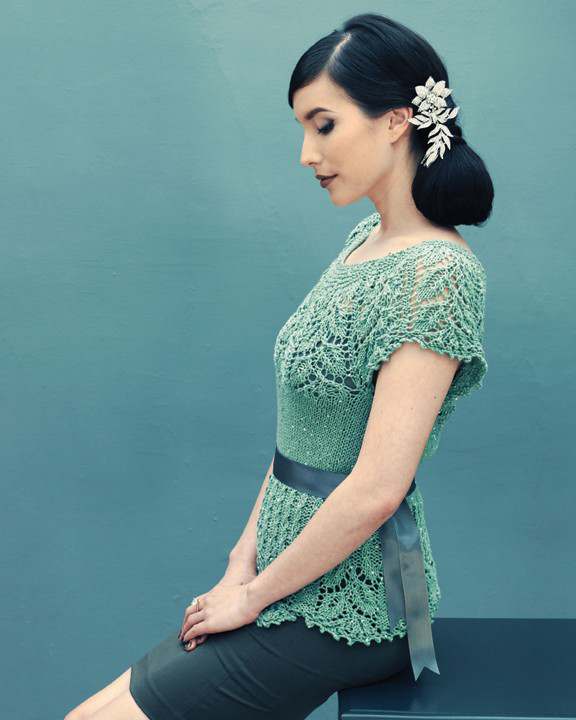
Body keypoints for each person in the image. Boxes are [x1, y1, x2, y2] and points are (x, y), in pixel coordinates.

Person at [65, 11, 493, 720]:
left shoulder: (437, 276)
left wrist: (253, 597)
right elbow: (301, 439)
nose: (306, 153)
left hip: (356, 610)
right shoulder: (365, 240)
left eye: (324, 125)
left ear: (396, 121)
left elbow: (376, 490)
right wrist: (241, 564)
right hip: (284, 579)